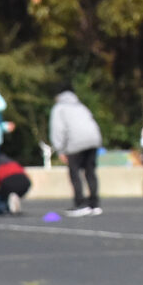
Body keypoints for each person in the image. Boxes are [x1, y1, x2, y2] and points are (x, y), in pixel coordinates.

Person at [50, 88, 104, 217]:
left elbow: (58, 129)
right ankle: (94, 204)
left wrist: (60, 149)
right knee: (90, 171)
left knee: (74, 172)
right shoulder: (81, 106)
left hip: (76, 142)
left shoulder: (59, 108)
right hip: (93, 139)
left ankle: (81, 203)